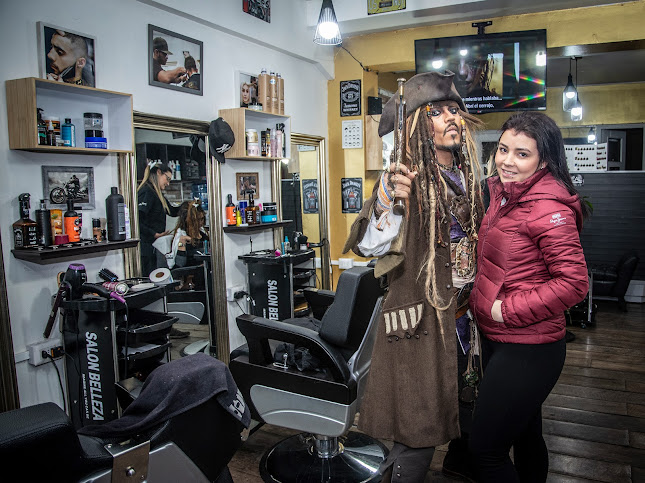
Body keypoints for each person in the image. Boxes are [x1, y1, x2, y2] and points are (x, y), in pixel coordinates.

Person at [343, 71, 485, 482]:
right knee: (416, 431)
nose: (451, 118)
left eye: (454, 109)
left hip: (464, 322)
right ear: (418, 125)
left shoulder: (471, 179)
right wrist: (387, 197)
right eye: (437, 112)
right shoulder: (403, 179)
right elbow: (370, 246)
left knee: (465, 409)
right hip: (418, 325)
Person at [468, 111, 589, 482]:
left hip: (528, 347)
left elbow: (573, 282)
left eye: (522, 154)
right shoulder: (503, 195)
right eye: (503, 149)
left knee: (485, 451)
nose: (507, 161)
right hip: (500, 338)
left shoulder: (548, 208)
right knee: (526, 434)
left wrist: (504, 310)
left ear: (544, 160)